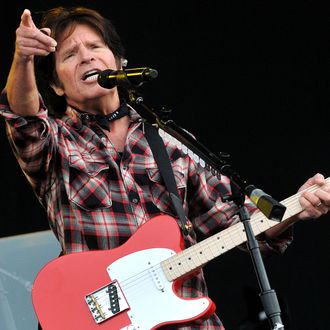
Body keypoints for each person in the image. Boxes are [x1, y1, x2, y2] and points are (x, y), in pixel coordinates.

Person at [1, 6, 329, 330]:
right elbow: (24, 117)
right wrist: (24, 58)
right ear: (56, 86)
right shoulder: (56, 142)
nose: (87, 57)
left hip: (186, 321)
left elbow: (235, 221)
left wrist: (296, 207)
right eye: (70, 54)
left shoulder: (169, 141)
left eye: (96, 47)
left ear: (118, 62)